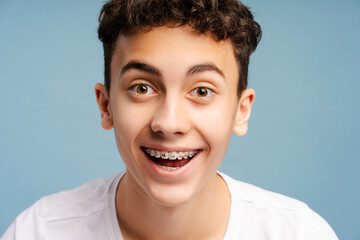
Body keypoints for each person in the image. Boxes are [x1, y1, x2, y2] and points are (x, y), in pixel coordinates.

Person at [1, 0, 338, 239]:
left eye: (202, 91)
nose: (169, 122)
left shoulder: (300, 233)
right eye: (142, 87)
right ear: (106, 106)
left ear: (241, 109)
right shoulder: (39, 231)